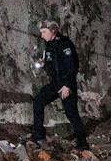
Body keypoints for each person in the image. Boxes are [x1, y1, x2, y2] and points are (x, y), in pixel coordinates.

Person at [31, 20, 87, 148]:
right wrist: (44, 64)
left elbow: (73, 66)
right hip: (55, 83)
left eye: (44, 32)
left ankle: (82, 143)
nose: (42, 35)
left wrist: (67, 85)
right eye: (41, 32)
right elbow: (51, 64)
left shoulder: (65, 44)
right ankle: (39, 136)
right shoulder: (49, 45)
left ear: (53, 31)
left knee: (71, 113)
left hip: (66, 84)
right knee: (38, 102)